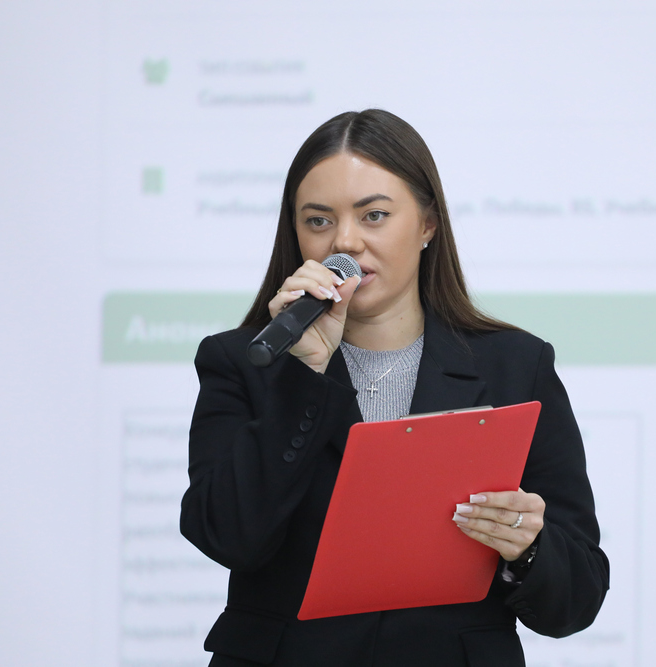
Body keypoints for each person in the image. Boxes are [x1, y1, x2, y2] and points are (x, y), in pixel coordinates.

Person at [180, 109, 609, 666]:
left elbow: (578, 598)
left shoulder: (516, 365)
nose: (345, 242)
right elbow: (227, 537)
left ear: (428, 224)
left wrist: (527, 547)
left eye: (374, 215)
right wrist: (302, 375)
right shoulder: (246, 360)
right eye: (318, 221)